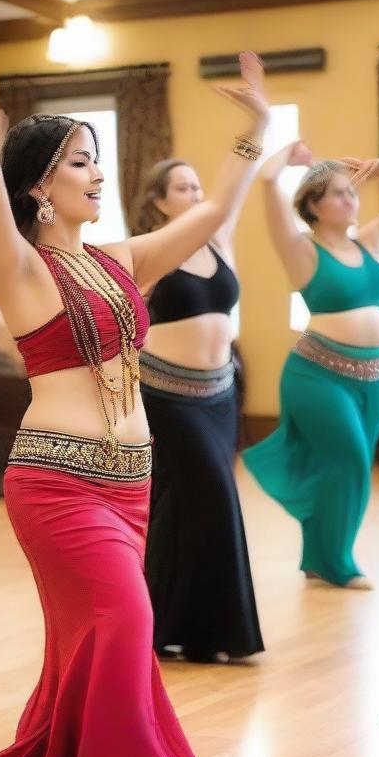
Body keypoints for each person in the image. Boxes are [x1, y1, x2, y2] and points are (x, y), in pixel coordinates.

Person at [0, 52, 269, 757]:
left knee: (87, 648)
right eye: (79, 161)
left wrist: (256, 135)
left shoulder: (121, 260)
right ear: (40, 185)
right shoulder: (25, 269)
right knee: (128, 623)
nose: (98, 175)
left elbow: (208, 219)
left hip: (129, 485)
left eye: (98, 160)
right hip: (57, 484)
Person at [244, 144, 379, 588]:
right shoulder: (301, 251)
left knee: (350, 466)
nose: (350, 199)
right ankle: (339, 562)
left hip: (374, 377)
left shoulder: (373, 241)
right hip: (317, 376)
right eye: (337, 193)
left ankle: (318, 557)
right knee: (349, 460)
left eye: (352, 192)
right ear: (313, 205)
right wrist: (286, 157)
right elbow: (268, 183)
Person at [133, 157, 263, 662]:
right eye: (181, 187)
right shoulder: (151, 252)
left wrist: (254, 127)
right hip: (165, 394)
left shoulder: (218, 238)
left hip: (220, 395)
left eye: (197, 185)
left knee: (177, 505)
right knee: (212, 491)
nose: (193, 193)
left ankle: (165, 623)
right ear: (160, 201)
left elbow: (236, 184)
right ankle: (214, 631)